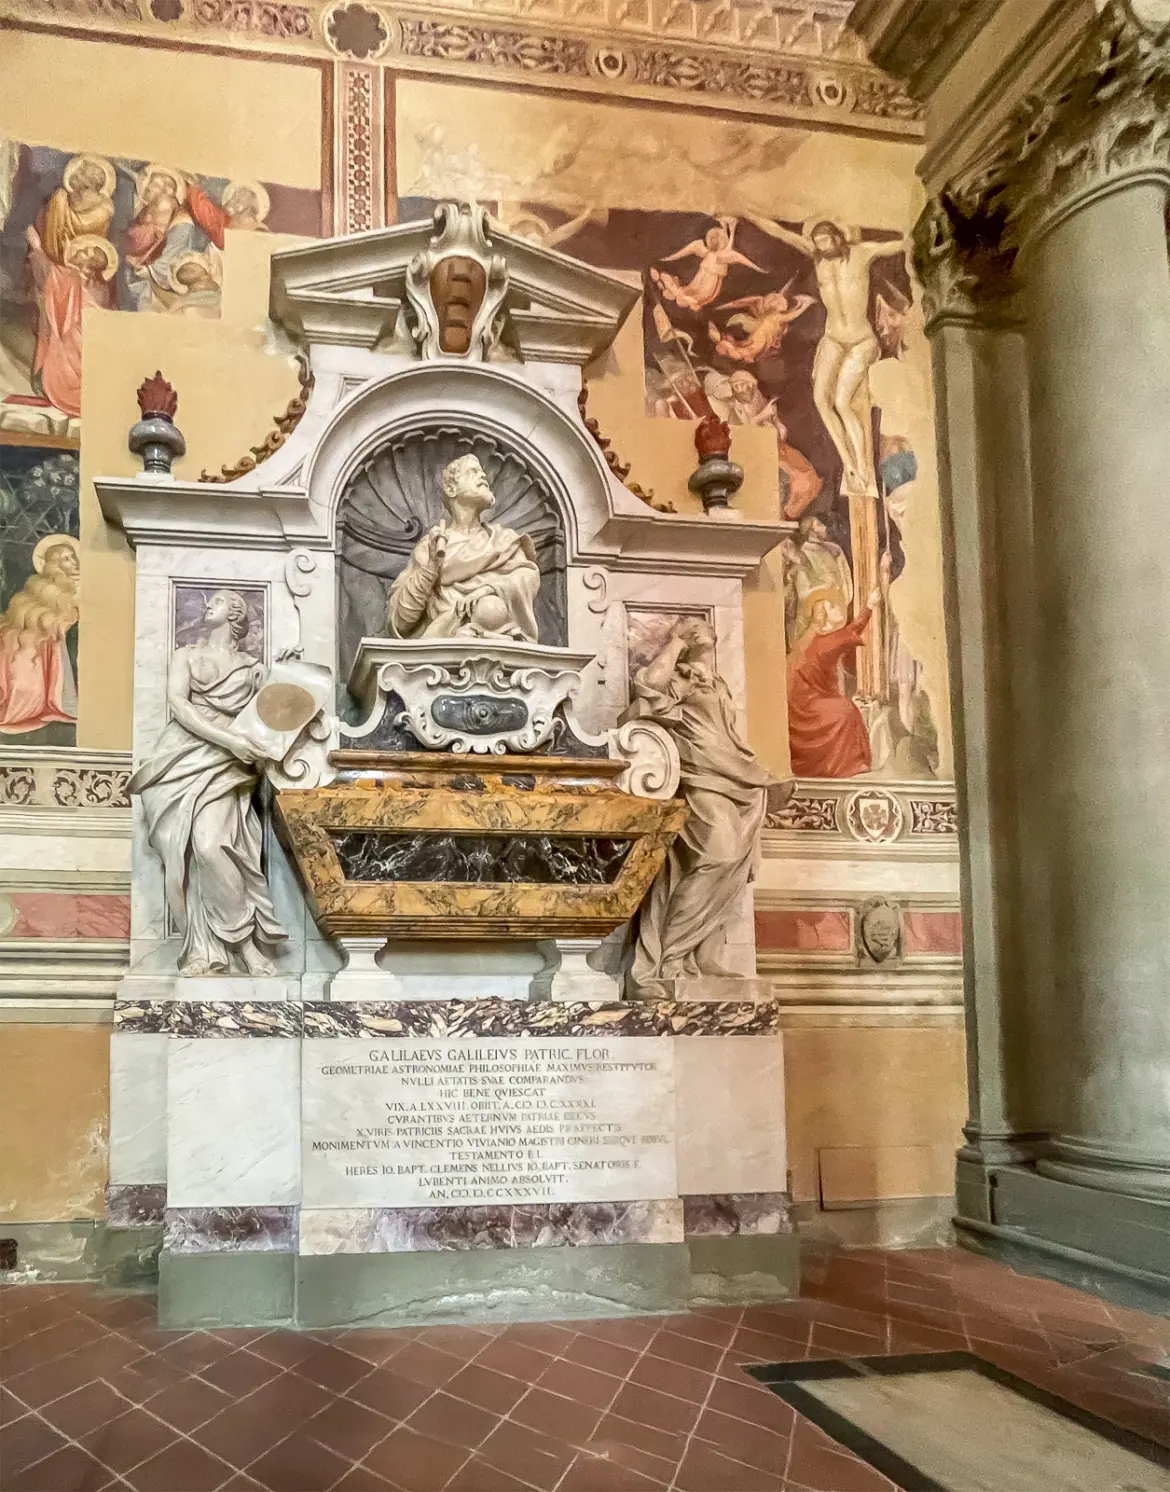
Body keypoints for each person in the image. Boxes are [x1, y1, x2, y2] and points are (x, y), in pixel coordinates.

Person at [128, 590, 287, 977]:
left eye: (217, 601)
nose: (207, 605)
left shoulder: (254, 671)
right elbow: (179, 706)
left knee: (211, 845)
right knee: (187, 855)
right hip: (178, 760)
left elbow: (271, 724)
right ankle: (202, 949)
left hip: (225, 767)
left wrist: (288, 684)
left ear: (235, 614)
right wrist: (229, 739)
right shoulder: (185, 655)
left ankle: (245, 943)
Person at [621, 617, 772, 995]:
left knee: (729, 869)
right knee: (718, 855)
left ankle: (701, 956)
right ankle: (670, 956)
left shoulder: (717, 682)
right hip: (701, 779)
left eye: (703, 624)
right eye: (692, 625)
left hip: (736, 781)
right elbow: (648, 687)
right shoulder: (682, 676)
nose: (701, 627)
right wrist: (673, 645)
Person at [748, 215, 909, 493]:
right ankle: (847, 462)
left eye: (828, 241)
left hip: (860, 340)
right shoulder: (817, 258)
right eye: (819, 243)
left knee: (843, 402)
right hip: (833, 337)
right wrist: (750, 213)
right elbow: (780, 233)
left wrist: (912, 237)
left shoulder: (860, 254)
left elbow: (893, 246)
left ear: (838, 238)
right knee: (821, 399)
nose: (824, 247)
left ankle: (861, 466)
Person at [386, 455, 541, 641]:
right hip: (443, 645)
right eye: (473, 472)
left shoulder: (504, 541)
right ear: (451, 489)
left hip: (501, 640)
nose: (483, 476)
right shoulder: (431, 547)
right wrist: (431, 568)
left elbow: (527, 578)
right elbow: (401, 621)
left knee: (490, 607)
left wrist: (489, 589)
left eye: (482, 472)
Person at [786, 585, 882, 778]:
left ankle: (844, 765)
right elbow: (854, 629)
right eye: (833, 607)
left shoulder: (813, 638)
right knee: (845, 710)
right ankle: (844, 767)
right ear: (823, 614)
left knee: (846, 708)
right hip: (807, 706)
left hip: (803, 703)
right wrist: (870, 606)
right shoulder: (827, 642)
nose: (839, 609)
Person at [25, 227, 116, 418]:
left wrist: (36, 244)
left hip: (71, 353)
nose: (78, 250)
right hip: (86, 349)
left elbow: (46, 271)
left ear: (89, 266)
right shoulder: (99, 287)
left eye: (84, 253)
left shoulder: (70, 279)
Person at [0, 535, 79, 735]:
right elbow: (31, 611)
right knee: (18, 643)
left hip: (49, 632)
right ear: (54, 564)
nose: (75, 563)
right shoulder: (39, 584)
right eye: (66, 559)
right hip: (34, 629)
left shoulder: (82, 586)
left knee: (33, 646)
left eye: (74, 557)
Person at [726, 370, 823, 519]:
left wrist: (777, 423)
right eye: (736, 386)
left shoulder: (760, 401)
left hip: (777, 447)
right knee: (793, 479)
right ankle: (784, 513)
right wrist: (763, 416)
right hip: (758, 452)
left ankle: (790, 513)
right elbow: (741, 433)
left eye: (743, 385)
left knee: (809, 476)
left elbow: (780, 429)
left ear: (752, 385)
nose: (740, 390)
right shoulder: (735, 409)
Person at [651, 218, 764, 313]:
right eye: (671, 282)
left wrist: (668, 262)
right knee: (725, 254)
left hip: (706, 278)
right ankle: (731, 228)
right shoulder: (684, 296)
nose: (674, 279)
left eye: (670, 281)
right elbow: (697, 303)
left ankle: (729, 227)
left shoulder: (683, 292)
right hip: (707, 283)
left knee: (722, 254)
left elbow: (696, 296)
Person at [782, 514, 854, 648]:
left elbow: (840, 574)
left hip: (832, 598)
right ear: (809, 530)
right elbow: (803, 583)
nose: (825, 529)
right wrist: (822, 591)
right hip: (814, 598)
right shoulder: (802, 552)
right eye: (819, 525)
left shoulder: (832, 549)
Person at [38, 154, 115, 266]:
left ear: (96, 188)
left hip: (83, 262)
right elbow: (51, 239)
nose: (75, 194)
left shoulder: (104, 211)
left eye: (83, 189)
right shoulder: (61, 200)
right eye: (75, 188)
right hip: (56, 257)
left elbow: (97, 245)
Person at [707, 285, 815, 363]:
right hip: (754, 343)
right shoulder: (772, 318)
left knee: (741, 350)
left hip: (755, 344)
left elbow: (791, 316)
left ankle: (727, 346)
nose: (775, 302)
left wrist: (805, 304)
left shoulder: (774, 318)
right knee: (741, 349)